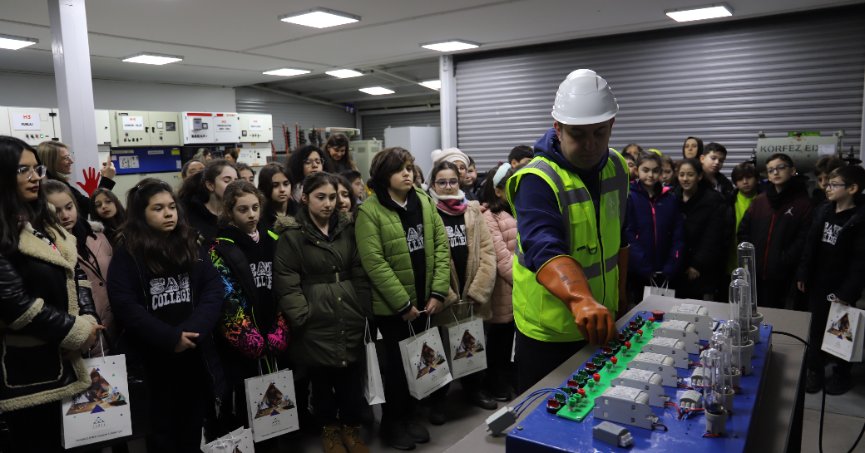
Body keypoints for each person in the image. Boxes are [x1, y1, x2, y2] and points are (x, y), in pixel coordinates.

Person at [506, 69, 628, 393]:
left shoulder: (617, 166)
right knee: (543, 419)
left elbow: (621, 239)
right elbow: (543, 246)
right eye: (577, 134)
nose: (590, 145)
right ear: (557, 128)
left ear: (612, 126)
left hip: (600, 319)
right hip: (550, 332)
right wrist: (580, 300)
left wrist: (619, 301)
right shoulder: (537, 178)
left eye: (599, 133)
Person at [107, 178, 224, 452]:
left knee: (192, 426)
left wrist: (193, 330)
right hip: (153, 358)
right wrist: (170, 337)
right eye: (158, 208)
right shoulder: (128, 251)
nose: (169, 213)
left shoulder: (189, 242)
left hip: (194, 354)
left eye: (171, 207)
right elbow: (125, 305)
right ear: (141, 213)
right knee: (162, 433)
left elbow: (213, 289)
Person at [0, 136, 102, 453]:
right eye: (22, 170)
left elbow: (73, 272)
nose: (35, 177)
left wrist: (88, 318)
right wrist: (75, 330)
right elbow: (14, 305)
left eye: (37, 169)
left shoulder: (41, 221)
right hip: (26, 371)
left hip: (67, 360)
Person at [355, 147, 450, 450]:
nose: (408, 173)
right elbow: (375, 262)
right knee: (395, 370)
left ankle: (409, 416)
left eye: (410, 167)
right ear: (384, 176)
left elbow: (440, 249)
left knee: (420, 362)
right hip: (395, 310)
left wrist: (437, 293)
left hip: (426, 303)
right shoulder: (370, 211)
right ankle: (392, 424)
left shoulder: (423, 201)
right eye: (400, 169)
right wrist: (402, 304)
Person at [274, 173, 371, 453]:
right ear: (304, 198)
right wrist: (302, 315)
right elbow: (286, 280)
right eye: (321, 197)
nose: (329, 203)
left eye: (333, 197)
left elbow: (359, 270)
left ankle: (351, 430)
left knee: (351, 379)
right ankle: (329, 431)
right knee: (322, 381)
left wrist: (363, 307)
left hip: (349, 310)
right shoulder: (292, 236)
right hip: (314, 318)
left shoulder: (348, 228)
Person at [208, 180, 289, 438]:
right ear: (229, 212)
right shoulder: (219, 248)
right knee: (246, 400)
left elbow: (284, 285)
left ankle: (276, 436)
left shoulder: (273, 239)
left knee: (275, 399)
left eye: (255, 207)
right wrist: (245, 336)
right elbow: (226, 297)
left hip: (272, 332)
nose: (252, 214)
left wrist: (281, 326)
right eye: (243, 209)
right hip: (243, 343)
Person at [427, 160, 497, 418]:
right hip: (444, 297)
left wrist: (477, 291)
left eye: (453, 181)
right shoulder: (428, 212)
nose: (448, 187)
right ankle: (437, 400)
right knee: (439, 353)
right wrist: (444, 294)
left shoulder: (473, 210)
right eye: (442, 182)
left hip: (471, 295)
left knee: (472, 346)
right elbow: (427, 259)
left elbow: (488, 253)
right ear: (433, 184)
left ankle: (474, 391)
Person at [797, 165, 865, 395]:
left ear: (853, 188)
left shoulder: (859, 219)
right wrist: (804, 272)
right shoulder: (824, 210)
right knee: (815, 329)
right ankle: (814, 371)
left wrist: (848, 292)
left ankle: (841, 374)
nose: (827, 188)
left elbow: (860, 263)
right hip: (819, 282)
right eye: (827, 183)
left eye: (834, 184)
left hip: (842, 285)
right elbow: (810, 245)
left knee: (840, 331)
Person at [44, 180, 116, 352]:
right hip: (80, 337)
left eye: (69, 207)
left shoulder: (98, 236)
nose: (65, 216)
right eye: (56, 211)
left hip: (115, 329)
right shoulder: (46, 248)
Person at [739, 153, 813, 309]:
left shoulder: (803, 203)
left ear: (792, 171)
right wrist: (749, 256)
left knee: (779, 315)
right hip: (756, 271)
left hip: (784, 274)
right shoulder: (760, 200)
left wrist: (784, 259)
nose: (775, 173)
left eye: (780, 168)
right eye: (770, 170)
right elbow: (744, 229)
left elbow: (804, 238)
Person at [478, 163, 517, 401]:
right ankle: (495, 383)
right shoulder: (488, 216)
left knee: (512, 341)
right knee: (499, 342)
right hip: (505, 290)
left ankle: (509, 381)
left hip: (520, 292)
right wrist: (523, 280)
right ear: (498, 190)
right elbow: (501, 257)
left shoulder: (516, 211)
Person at [624, 152, 684, 305]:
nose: (650, 174)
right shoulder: (630, 196)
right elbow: (628, 233)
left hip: (666, 269)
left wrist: (672, 263)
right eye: (646, 170)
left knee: (665, 311)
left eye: (655, 170)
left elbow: (678, 233)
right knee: (639, 313)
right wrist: (643, 265)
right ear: (637, 170)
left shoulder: (670, 198)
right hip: (639, 270)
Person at [673, 159, 729, 300]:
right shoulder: (672, 197)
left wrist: (697, 264)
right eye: (682, 174)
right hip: (676, 265)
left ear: (699, 176)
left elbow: (713, 236)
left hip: (701, 266)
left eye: (690, 175)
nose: (685, 179)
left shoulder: (713, 200)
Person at [37, 140, 116, 216]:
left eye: (69, 156)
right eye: (65, 158)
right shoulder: (53, 187)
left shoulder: (50, 181)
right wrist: (107, 179)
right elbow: (89, 206)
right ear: (51, 162)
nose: (71, 161)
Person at [179, 159, 238, 245]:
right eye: (227, 181)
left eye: (236, 181)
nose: (234, 185)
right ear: (210, 185)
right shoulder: (189, 214)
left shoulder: (237, 213)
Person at [727, 162, 760, 272]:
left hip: (757, 259)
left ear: (756, 179)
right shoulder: (728, 201)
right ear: (735, 182)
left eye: (749, 177)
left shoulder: (765, 201)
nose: (745, 182)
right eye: (740, 179)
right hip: (731, 258)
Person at [257, 162, 297, 231]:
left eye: (286, 184)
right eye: (275, 185)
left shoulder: (300, 211)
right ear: (265, 187)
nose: (282, 190)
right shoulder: (259, 216)